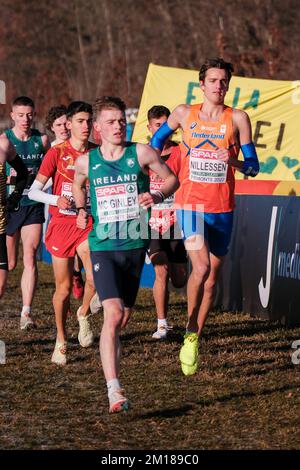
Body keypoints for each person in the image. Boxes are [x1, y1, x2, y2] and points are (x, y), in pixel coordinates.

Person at [151, 58, 259, 375]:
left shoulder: (238, 118)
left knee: (211, 282)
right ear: (202, 84)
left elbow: (254, 167)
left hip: (222, 208)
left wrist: (235, 162)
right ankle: (187, 329)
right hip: (190, 204)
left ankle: (193, 336)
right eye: (213, 80)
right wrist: (162, 171)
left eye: (223, 81)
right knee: (200, 265)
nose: (218, 86)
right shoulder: (185, 113)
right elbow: (156, 143)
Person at [72, 96, 178, 413]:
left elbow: (173, 178)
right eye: (111, 121)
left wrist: (156, 193)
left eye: (121, 120)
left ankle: (108, 358)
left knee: (121, 319)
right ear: (97, 127)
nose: (118, 126)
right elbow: (78, 185)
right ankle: (114, 390)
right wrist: (80, 208)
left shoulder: (141, 153)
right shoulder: (86, 162)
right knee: (114, 313)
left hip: (135, 247)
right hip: (103, 246)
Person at [28, 101, 98, 365]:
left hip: (86, 223)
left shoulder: (97, 153)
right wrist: (56, 199)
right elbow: (34, 191)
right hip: (61, 225)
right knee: (64, 288)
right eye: (80, 121)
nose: (86, 126)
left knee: (94, 276)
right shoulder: (56, 153)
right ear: (69, 124)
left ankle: (83, 314)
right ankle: (60, 339)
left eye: (89, 121)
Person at [0, 96, 50, 330]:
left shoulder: (41, 140)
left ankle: (26, 313)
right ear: (12, 116)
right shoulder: (4, 141)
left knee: (30, 256)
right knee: (10, 264)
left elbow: (52, 166)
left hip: (32, 203)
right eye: (20, 115)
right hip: (9, 206)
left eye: (29, 114)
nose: (25, 119)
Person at [147, 105, 187, 339]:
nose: (163, 129)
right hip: (150, 222)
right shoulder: (143, 153)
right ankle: (162, 324)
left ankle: (177, 264)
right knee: (160, 270)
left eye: (167, 125)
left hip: (178, 219)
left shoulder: (180, 152)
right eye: (157, 125)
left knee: (179, 279)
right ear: (149, 127)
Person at [45, 105, 84, 301]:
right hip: (58, 211)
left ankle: (77, 276)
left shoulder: (84, 147)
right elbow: (43, 182)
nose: (63, 128)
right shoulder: (53, 149)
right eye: (58, 125)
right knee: (63, 267)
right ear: (52, 127)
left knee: (81, 250)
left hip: (83, 213)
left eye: (64, 124)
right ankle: (65, 292)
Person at [0, 141, 28, 299]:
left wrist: (15, 197)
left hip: (0, 227)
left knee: (0, 288)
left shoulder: (4, 145)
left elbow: (23, 173)